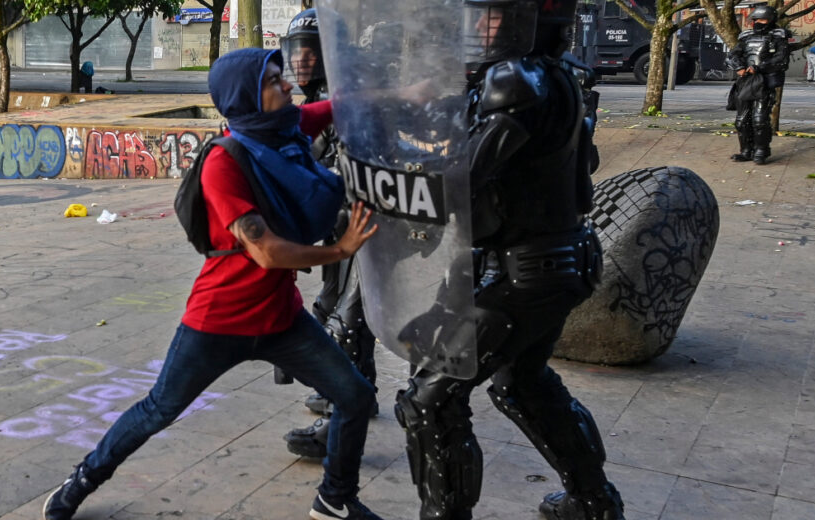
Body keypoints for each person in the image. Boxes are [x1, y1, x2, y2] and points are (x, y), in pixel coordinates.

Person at [42, 48, 385, 520]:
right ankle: (80, 481)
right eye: (272, 81)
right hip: (219, 321)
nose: (287, 86)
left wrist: (410, 92)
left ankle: (335, 498)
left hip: (280, 318)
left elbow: (344, 108)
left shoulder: (286, 130)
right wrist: (339, 251)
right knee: (158, 409)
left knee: (354, 395)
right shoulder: (224, 164)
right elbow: (265, 251)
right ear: (245, 98)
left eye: (283, 76)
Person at [379, 0, 625, 518]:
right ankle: (594, 503)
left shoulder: (516, 80)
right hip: (552, 260)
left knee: (432, 399)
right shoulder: (554, 76)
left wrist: (389, 187)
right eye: (481, 13)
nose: (483, 26)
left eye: (498, 15)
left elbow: (462, 179)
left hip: (524, 272)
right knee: (524, 383)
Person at [277, 8, 380, 460]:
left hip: (368, 225)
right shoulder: (321, 99)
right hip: (341, 227)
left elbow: (355, 166)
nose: (300, 62)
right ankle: (360, 391)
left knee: (348, 322)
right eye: (294, 52)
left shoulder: (347, 96)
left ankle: (338, 422)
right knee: (333, 309)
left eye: (310, 52)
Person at [727, 5, 789, 165]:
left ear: (770, 20)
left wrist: (759, 67)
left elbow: (781, 60)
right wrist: (739, 67)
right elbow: (733, 55)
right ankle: (746, 151)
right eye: (755, 20)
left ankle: (761, 150)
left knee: (759, 120)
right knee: (741, 120)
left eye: (761, 20)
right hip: (745, 81)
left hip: (764, 82)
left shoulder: (778, 37)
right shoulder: (746, 37)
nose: (757, 23)